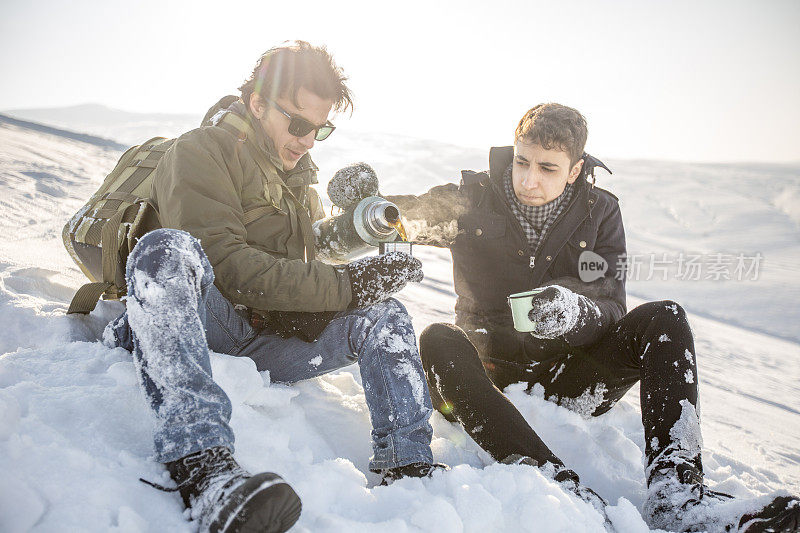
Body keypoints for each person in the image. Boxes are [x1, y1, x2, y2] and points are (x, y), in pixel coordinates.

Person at [386, 103, 799, 532]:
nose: (529, 179)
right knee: (437, 338)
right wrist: (364, 211)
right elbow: (405, 218)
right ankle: (559, 484)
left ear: (574, 168)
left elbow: (609, 306)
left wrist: (573, 312)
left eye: (548, 168)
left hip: (568, 377)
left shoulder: (600, 212)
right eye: (522, 161)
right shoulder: (472, 198)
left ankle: (677, 498)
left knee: (665, 318)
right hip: (483, 377)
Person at [103, 41, 441, 533]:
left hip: (265, 336)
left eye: (320, 129)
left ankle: (410, 470)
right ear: (257, 103)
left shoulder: (298, 182)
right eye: (298, 123)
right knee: (168, 250)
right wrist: (346, 285)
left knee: (384, 316)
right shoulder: (200, 151)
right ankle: (205, 470)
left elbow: (303, 266)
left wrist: (368, 271)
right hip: (204, 321)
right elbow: (226, 263)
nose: (308, 140)